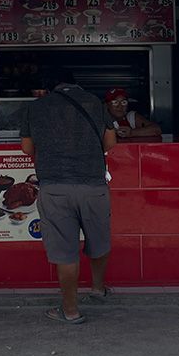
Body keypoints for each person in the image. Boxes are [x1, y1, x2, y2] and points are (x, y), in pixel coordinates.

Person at [20, 80, 117, 325]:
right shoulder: (95, 103)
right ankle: (97, 288)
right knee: (99, 240)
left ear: (52, 87)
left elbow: (26, 147)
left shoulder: (37, 106)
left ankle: (71, 311)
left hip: (55, 188)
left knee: (65, 252)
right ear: (77, 86)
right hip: (93, 186)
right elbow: (111, 142)